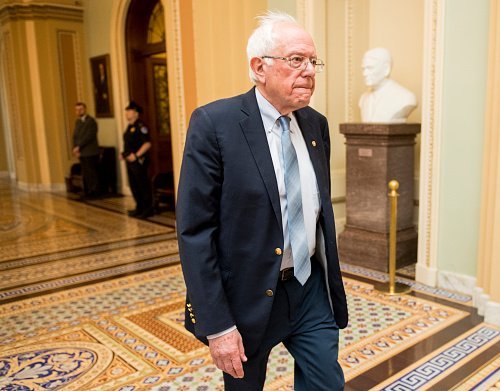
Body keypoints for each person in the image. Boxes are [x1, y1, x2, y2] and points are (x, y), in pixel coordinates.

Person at [176, 11, 348, 390]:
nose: (309, 71)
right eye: (295, 60)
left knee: (326, 384)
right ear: (259, 67)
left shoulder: (315, 124)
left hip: (309, 287)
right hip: (246, 299)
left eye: (312, 61)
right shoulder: (215, 124)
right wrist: (218, 325)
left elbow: (318, 212)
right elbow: (195, 232)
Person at [359, 47, 417, 123]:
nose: (364, 74)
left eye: (370, 68)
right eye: (363, 69)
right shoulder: (363, 99)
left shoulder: (407, 97)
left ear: (386, 69)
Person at [121, 101, 153, 218]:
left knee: (142, 185)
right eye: (126, 111)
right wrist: (124, 154)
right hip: (130, 161)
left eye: (129, 111)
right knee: (134, 185)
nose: (126, 114)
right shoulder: (130, 127)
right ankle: (139, 207)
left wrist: (137, 155)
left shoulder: (141, 127)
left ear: (136, 113)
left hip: (139, 161)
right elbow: (129, 144)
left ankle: (147, 209)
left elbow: (147, 144)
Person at [72, 102, 101, 198]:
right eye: (77, 109)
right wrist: (75, 148)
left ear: (85, 109)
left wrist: (79, 146)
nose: (79, 111)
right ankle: (88, 190)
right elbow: (75, 136)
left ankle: (95, 191)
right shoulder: (78, 122)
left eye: (81, 109)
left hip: (90, 151)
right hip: (81, 152)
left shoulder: (91, 121)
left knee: (92, 172)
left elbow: (89, 136)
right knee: (86, 173)